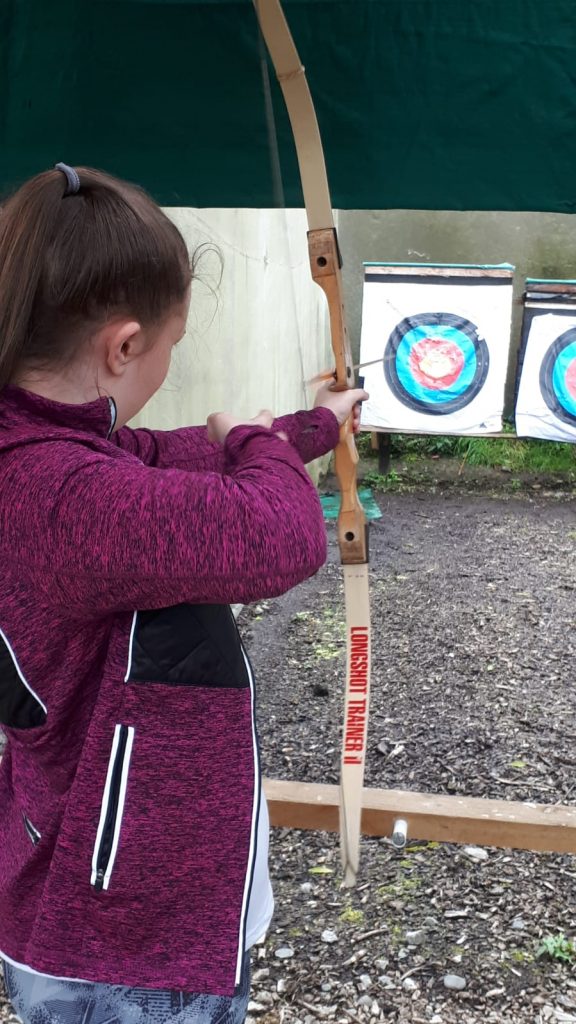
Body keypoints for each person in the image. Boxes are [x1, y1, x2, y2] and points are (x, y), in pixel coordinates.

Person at [0, 164, 367, 1024]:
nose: (169, 362)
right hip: (125, 946)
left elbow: (166, 457)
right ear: (124, 348)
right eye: (171, 343)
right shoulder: (64, 497)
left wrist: (313, 426)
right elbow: (279, 533)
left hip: (110, 915)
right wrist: (248, 437)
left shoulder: (45, 451)